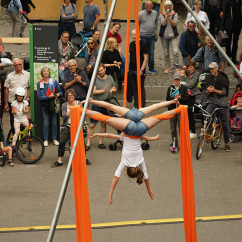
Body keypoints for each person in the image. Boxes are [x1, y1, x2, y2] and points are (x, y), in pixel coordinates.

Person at [90, 132, 159, 204]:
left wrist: (149, 189)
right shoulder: (125, 161)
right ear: (127, 168)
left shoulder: (140, 160)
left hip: (137, 131)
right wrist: (110, 193)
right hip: (126, 131)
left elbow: (145, 175)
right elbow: (116, 177)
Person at [82, 97, 180, 140]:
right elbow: (110, 135)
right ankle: (83, 110)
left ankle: (178, 109)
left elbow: (147, 138)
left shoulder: (139, 160)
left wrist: (154, 138)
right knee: (106, 118)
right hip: (130, 126)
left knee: (160, 116)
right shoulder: (125, 161)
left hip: (140, 129)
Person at [51, 89, 92, 167]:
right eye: (69, 96)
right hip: (68, 126)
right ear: (66, 97)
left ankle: (83, 158)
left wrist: (82, 125)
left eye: (72, 95)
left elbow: (83, 115)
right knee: (62, 141)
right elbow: (63, 116)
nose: (70, 97)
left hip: (77, 126)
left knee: (81, 143)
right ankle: (59, 161)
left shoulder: (79, 103)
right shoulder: (64, 105)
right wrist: (70, 111)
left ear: (74, 96)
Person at [85, 64, 116, 151]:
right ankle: (88, 142)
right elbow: (93, 92)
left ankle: (100, 142)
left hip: (106, 104)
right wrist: (103, 91)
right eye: (98, 71)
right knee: (92, 125)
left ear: (105, 69)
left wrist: (113, 90)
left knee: (103, 124)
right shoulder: (95, 79)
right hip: (96, 105)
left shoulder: (110, 78)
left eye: (101, 70)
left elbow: (114, 88)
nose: (100, 72)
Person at [205, 62, 230, 151]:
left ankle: (226, 143)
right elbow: (207, 93)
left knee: (225, 123)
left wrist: (214, 90)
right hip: (212, 101)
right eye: (210, 69)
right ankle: (210, 129)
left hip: (221, 102)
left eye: (212, 69)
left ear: (217, 68)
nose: (211, 70)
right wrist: (208, 91)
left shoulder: (222, 78)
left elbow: (224, 93)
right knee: (207, 114)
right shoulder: (209, 77)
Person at [37, 67, 63, 147]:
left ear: (49, 73)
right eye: (44, 71)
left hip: (53, 105)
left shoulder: (54, 81)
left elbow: (61, 92)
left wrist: (58, 94)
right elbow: (40, 97)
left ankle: (55, 139)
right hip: (44, 105)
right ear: (42, 73)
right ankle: (45, 140)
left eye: (47, 71)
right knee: (46, 123)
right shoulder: (39, 83)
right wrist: (48, 97)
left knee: (54, 122)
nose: (46, 72)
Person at [4, 58, 30, 130]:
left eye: (19, 64)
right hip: (12, 101)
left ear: (22, 65)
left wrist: (27, 98)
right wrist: (6, 103)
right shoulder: (9, 76)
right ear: (13, 66)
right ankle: (13, 137)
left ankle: (21, 139)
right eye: (16, 65)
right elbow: (6, 89)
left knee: (23, 119)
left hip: (23, 101)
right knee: (13, 119)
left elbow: (29, 87)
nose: (18, 66)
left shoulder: (27, 74)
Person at [166, 73, 189, 148]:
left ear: (180, 80)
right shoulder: (170, 88)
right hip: (172, 110)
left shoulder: (183, 88)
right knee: (173, 128)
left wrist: (180, 99)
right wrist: (174, 99)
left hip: (180, 111)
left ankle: (183, 143)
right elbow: (167, 99)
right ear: (173, 80)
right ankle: (174, 142)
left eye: (178, 79)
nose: (177, 81)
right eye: (175, 79)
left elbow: (186, 99)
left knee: (181, 128)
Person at [128, 29, 148, 109]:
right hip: (132, 69)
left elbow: (146, 58)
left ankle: (142, 104)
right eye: (132, 35)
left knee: (141, 87)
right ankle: (136, 104)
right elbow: (130, 56)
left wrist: (142, 69)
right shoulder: (131, 44)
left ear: (139, 34)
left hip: (139, 69)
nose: (134, 36)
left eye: (135, 34)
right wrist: (128, 68)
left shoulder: (143, 44)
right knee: (134, 88)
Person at [159, 0, 179, 74]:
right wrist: (166, 16)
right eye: (166, 6)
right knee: (166, 53)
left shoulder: (175, 14)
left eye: (169, 6)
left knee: (175, 51)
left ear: (171, 6)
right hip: (164, 36)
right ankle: (168, 67)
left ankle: (176, 67)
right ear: (164, 7)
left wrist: (169, 18)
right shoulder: (161, 14)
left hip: (173, 36)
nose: (168, 7)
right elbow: (163, 23)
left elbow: (174, 24)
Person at [220, 0, 242, 65]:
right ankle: (228, 59)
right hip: (229, 25)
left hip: (238, 25)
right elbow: (225, 14)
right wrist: (222, 27)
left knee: (235, 42)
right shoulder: (228, 2)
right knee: (228, 43)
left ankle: (234, 58)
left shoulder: (240, 2)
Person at [139, 1, 157, 74]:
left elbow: (154, 22)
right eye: (148, 5)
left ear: (152, 6)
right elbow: (138, 24)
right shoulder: (140, 14)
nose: (149, 6)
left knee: (151, 53)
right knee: (142, 53)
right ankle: (142, 68)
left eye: (151, 5)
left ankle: (151, 68)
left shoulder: (155, 13)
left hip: (152, 36)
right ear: (145, 6)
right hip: (143, 36)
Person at [182, 61, 200, 138]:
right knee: (187, 112)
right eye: (188, 67)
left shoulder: (196, 74)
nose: (190, 69)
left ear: (194, 67)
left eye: (191, 67)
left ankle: (193, 131)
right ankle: (189, 129)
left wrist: (181, 84)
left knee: (191, 113)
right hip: (189, 95)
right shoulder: (189, 74)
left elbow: (190, 85)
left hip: (193, 95)